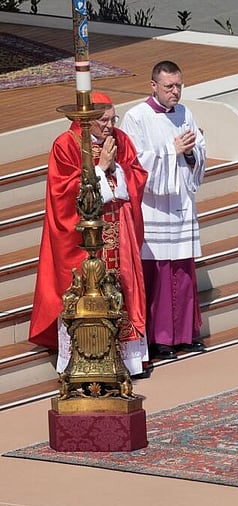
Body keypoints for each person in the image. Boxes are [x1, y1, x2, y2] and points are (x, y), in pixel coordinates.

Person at [30, 91, 150, 377]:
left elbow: (137, 174)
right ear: (89, 119)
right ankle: (83, 357)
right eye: (103, 120)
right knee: (85, 288)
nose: (110, 126)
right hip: (82, 238)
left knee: (122, 287)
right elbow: (62, 191)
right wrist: (101, 168)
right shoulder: (66, 144)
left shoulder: (121, 139)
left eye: (113, 119)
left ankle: (128, 362)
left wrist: (117, 170)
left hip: (118, 229)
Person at [119, 60, 206, 360]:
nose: (175, 92)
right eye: (169, 86)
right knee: (158, 273)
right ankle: (160, 339)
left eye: (179, 85)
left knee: (182, 270)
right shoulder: (136, 117)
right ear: (153, 85)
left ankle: (185, 334)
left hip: (180, 203)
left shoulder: (185, 113)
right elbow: (133, 162)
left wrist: (192, 152)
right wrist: (173, 150)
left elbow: (199, 150)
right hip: (153, 207)